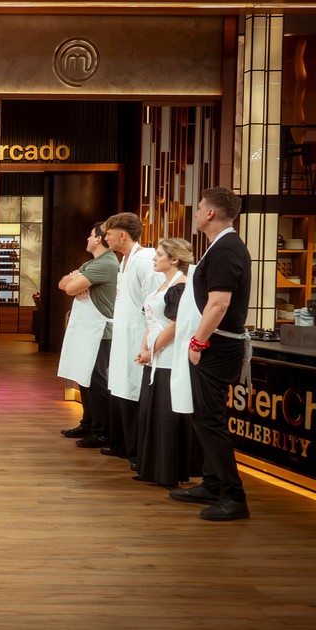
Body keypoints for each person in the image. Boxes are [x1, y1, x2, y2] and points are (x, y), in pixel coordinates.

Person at [169, 187, 252, 521]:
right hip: (214, 344)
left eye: (199, 207)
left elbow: (219, 304)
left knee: (211, 421)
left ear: (210, 213)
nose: (196, 212)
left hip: (217, 347)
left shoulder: (226, 249)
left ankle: (234, 496)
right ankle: (213, 483)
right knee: (204, 419)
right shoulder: (219, 246)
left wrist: (198, 342)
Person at [132, 238, 199, 487]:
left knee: (166, 414)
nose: (154, 258)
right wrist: (144, 349)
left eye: (159, 254)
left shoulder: (180, 287)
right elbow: (150, 322)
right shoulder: (162, 285)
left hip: (169, 357)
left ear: (175, 259)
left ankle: (168, 471)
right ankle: (151, 468)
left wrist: (152, 351)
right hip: (154, 355)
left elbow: (175, 325)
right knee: (151, 412)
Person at [103, 212, 162, 465]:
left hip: (138, 336)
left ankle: (138, 452)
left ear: (122, 235)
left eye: (108, 233)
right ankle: (122, 445)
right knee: (120, 388)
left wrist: (148, 344)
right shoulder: (124, 260)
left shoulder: (145, 260)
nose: (105, 238)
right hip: (123, 334)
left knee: (134, 389)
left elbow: (155, 303)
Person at [57, 223, 118, 447]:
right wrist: (74, 279)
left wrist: (75, 281)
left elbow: (70, 289)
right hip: (87, 330)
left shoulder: (106, 263)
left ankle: (102, 432)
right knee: (84, 377)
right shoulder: (91, 264)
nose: (87, 239)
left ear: (99, 239)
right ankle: (88, 423)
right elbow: (62, 283)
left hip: (100, 332)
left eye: (91, 235)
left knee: (96, 381)